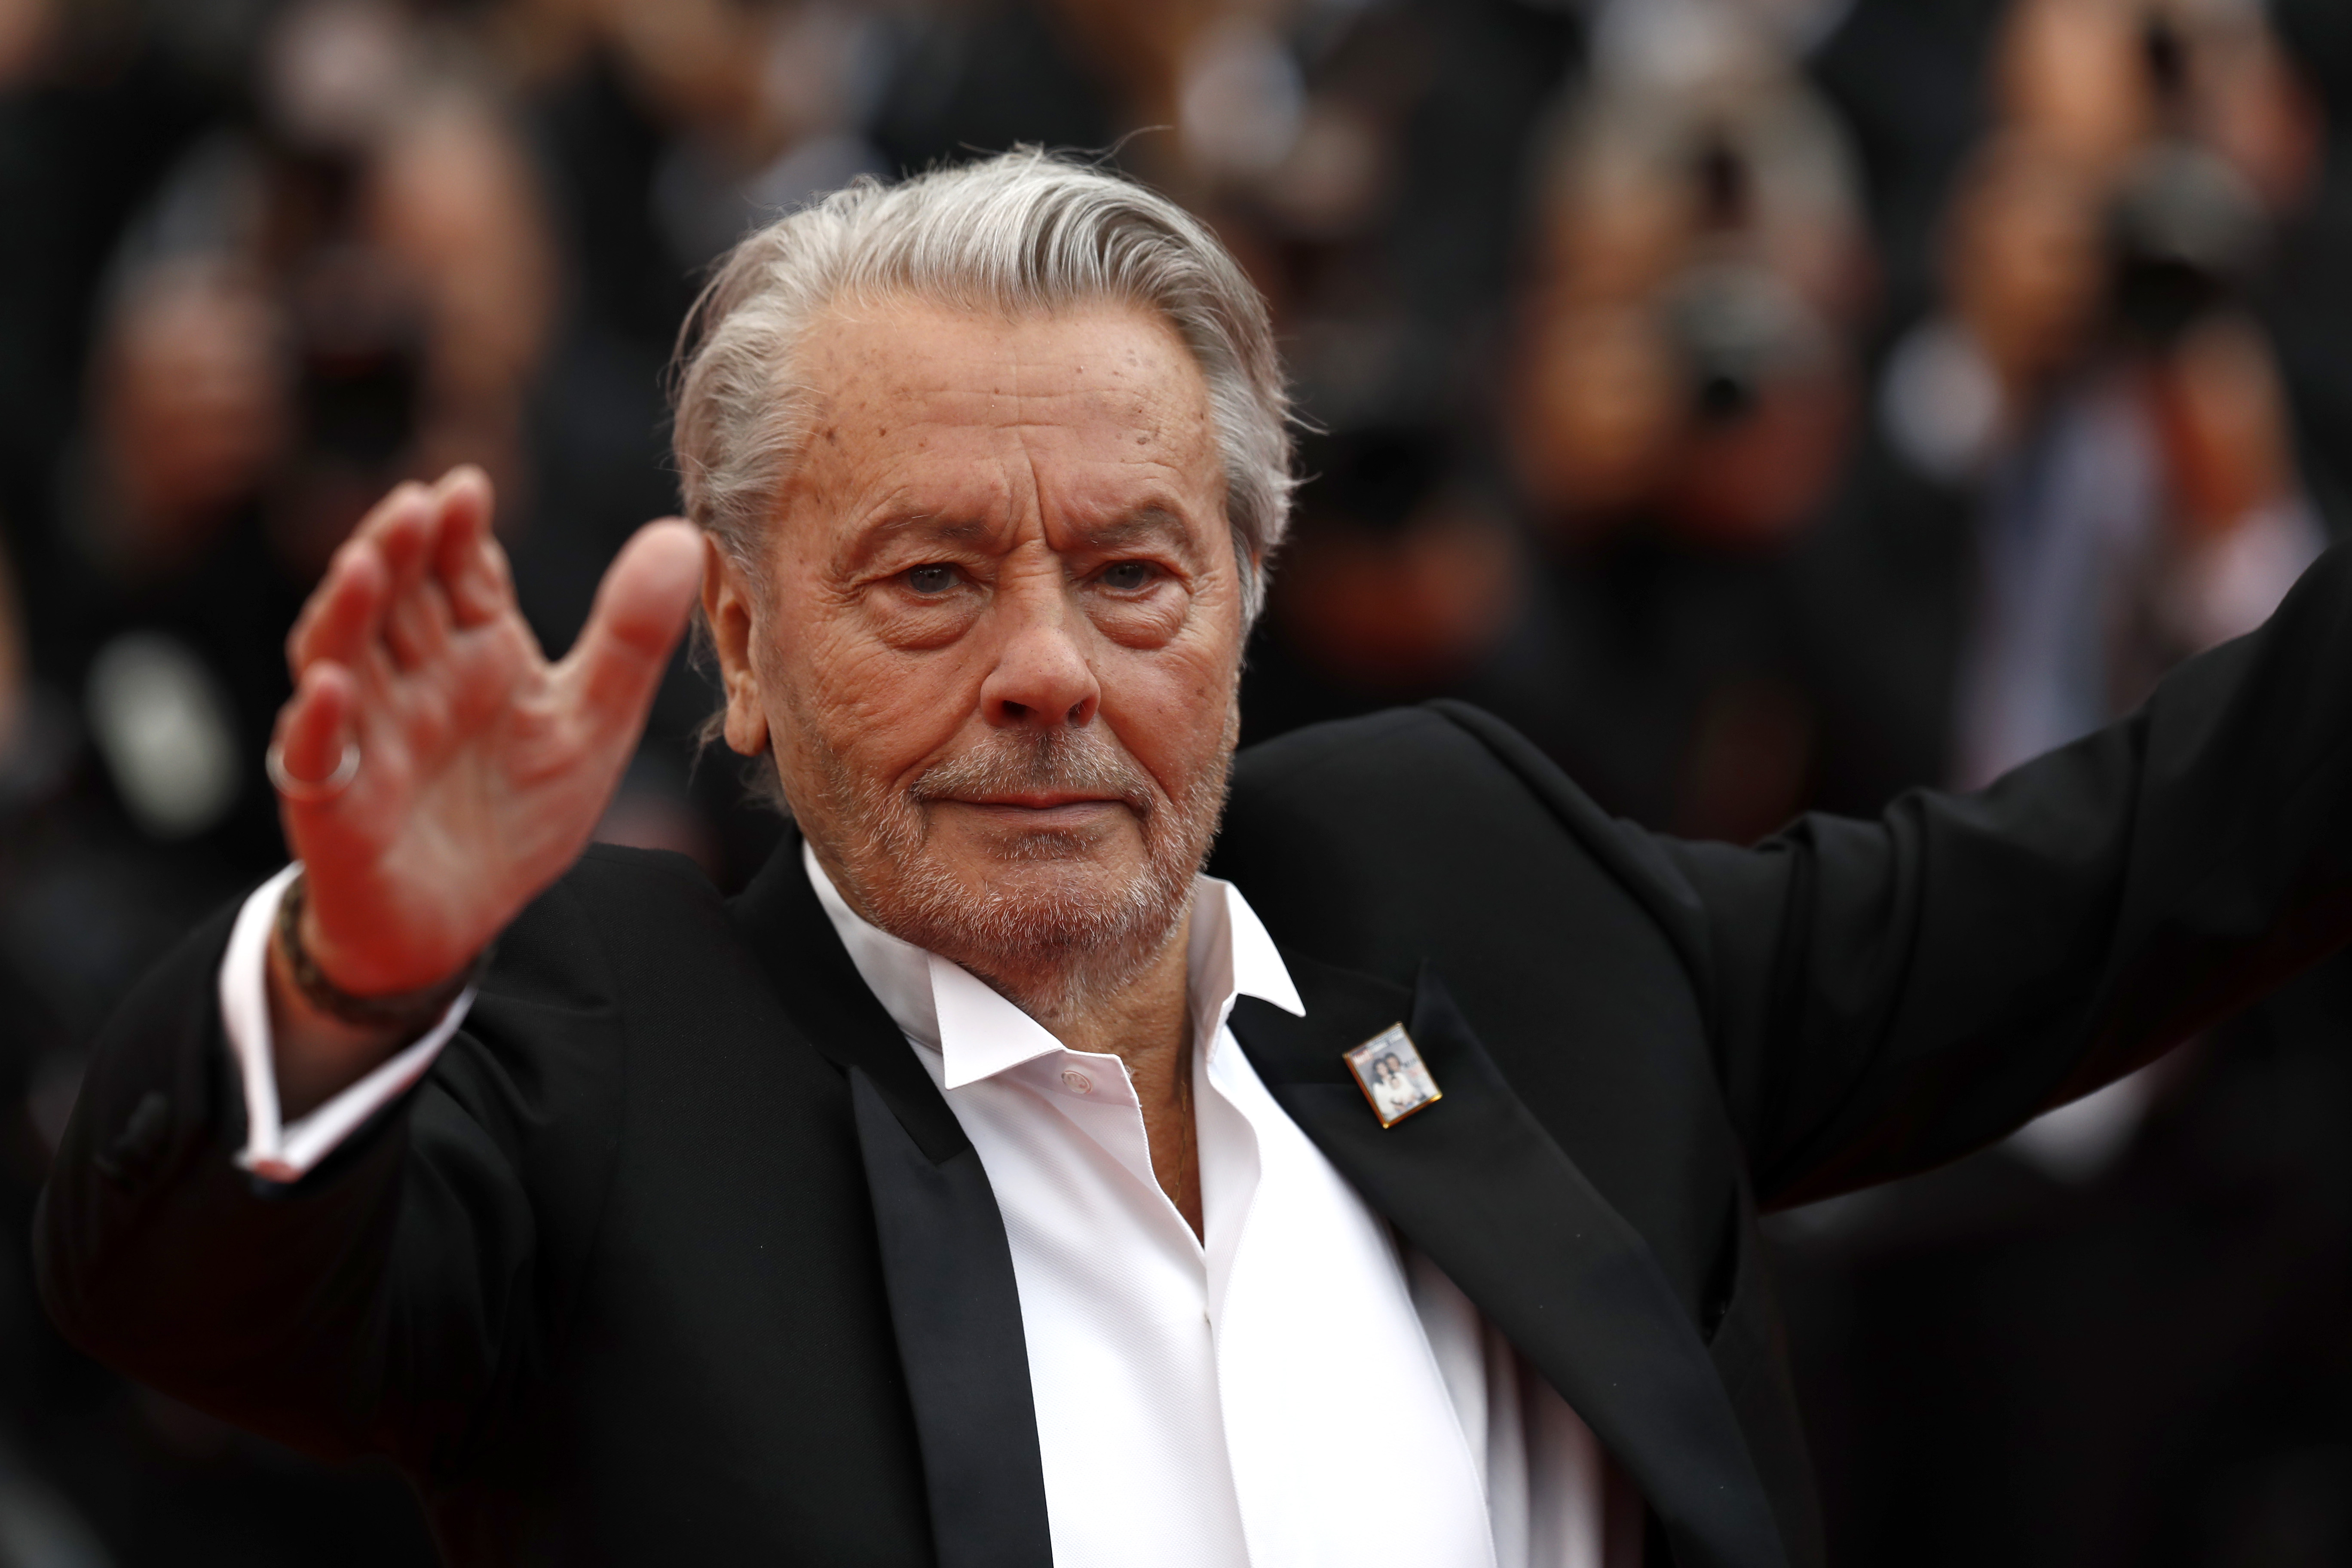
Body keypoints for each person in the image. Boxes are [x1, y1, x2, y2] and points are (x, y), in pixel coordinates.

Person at [31, 150, 2352, 1568]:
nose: (1046, 668)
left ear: (1243, 610)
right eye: (929, 582)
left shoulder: (1477, 895)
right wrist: (350, 970)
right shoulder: (625, 1052)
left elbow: (2131, 873)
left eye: (1134, 576)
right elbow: (181, 1294)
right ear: (738, 646)